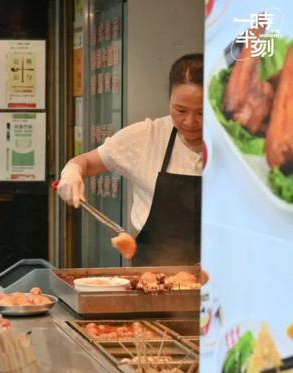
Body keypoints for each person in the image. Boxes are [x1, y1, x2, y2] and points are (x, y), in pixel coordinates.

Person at [57, 53, 204, 266]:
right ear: (169, 98)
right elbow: (85, 162)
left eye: (201, 112)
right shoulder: (148, 136)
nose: (190, 121)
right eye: (180, 110)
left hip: (219, 278)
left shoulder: (236, 145)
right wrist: (71, 172)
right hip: (151, 276)